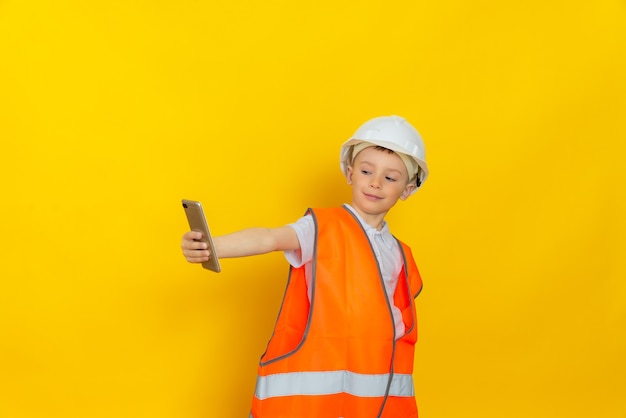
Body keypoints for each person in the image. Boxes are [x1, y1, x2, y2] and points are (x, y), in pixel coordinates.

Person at [181, 115, 429, 418]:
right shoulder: (321, 227)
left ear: (407, 189)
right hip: (310, 402)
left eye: (390, 178)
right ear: (350, 174)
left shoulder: (401, 255)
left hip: (372, 404)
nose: (376, 183)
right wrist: (212, 246)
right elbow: (270, 238)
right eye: (367, 171)